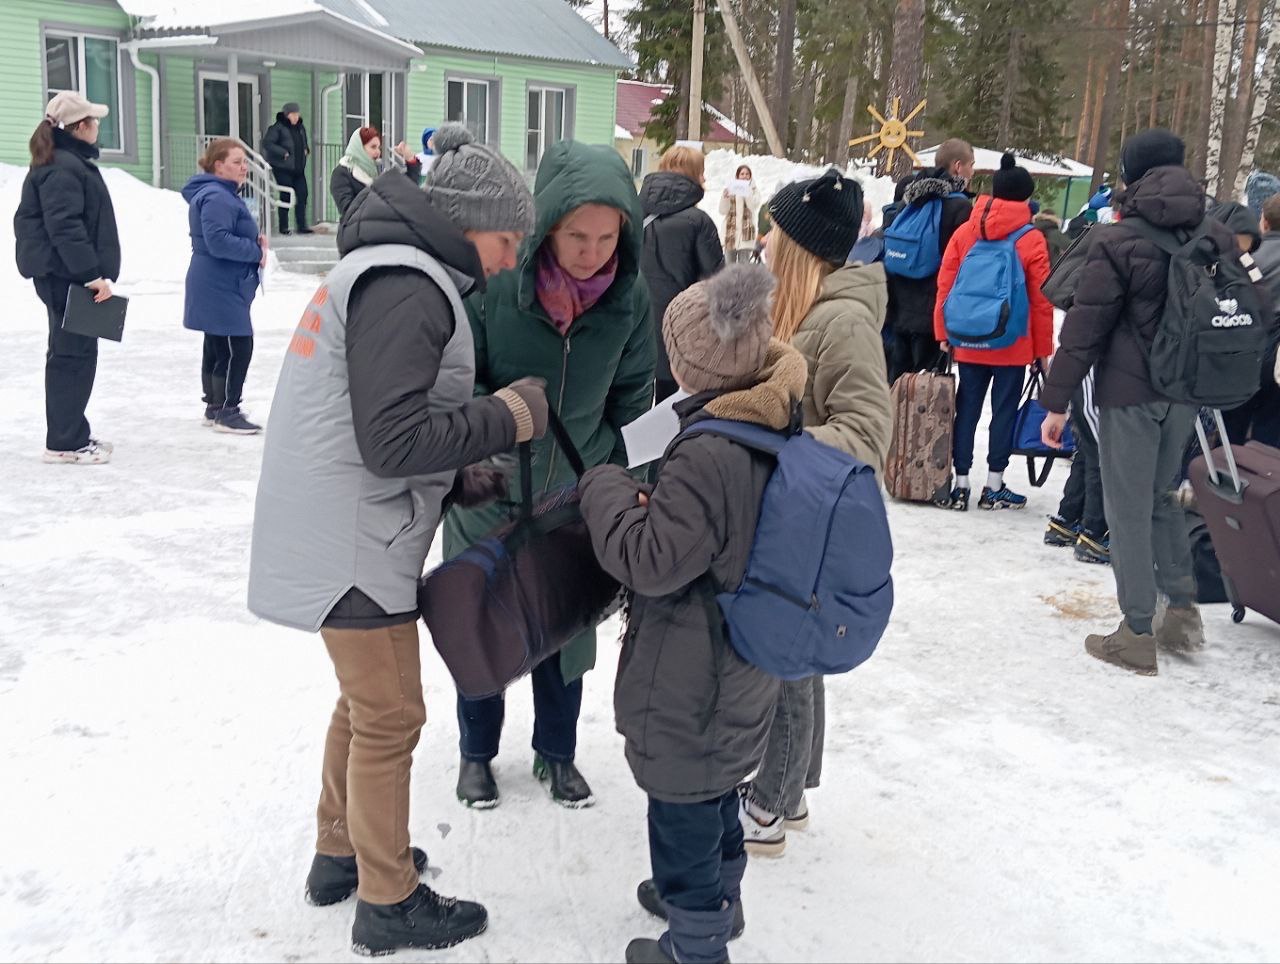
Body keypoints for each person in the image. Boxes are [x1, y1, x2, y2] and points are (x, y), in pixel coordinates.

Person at [247, 122, 546, 956]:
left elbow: (375, 424)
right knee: (392, 715)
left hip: (344, 524)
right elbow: (390, 440)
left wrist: (458, 474)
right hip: (352, 537)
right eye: (504, 238)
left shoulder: (389, 269)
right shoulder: (410, 282)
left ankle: (342, 854)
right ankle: (388, 898)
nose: (509, 259)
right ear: (466, 222)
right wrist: (507, 416)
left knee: (362, 703)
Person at [577, 263, 802, 964]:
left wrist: (607, 491)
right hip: (741, 656)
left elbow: (648, 561)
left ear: (689, 365)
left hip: (692, 668)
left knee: (680, 803)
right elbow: (708, 534)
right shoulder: (772, 414)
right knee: (716, 791)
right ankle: (720, 902)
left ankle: (695, 940)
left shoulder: (710, 451)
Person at [445, 139, 654, 810]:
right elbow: (462, 376)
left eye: (606, 235)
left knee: (566, 628)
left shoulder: (629, 298)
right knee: (483, 623)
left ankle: (556, 754)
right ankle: (475, 755)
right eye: (575, 235)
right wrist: (479, 454)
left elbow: (632, 397)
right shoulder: (498, 283)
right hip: (492, 488)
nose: (592, 251)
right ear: (547, 225)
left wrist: (623, 479)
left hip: (576, 496)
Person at [736, 168, 893, 857]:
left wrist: (775, 442)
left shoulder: (845, 322)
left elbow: (867, 432)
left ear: (798, 245)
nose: (763, 242)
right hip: (791, 508)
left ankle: (768, 805)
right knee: (791, 648)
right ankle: (789, 790)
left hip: (810, 516)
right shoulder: (801, 309)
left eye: (773, 231)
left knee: (788, 655)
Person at [1039, 128, 1228, 676]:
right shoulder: (1212, 232)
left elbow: (1084, 327)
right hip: (1185, 393)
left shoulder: (1116, 240)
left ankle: (1136, 632)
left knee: (1127, 508)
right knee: (1163, 498)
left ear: (1132, 174)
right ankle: (1182, 617)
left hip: (1129, 393)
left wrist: (1056, 403)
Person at [933, 153, 1054, 512]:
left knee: (966, 409)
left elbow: (945, 284)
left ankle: (960, 483)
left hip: (968, 338)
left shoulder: (966, 230)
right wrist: (1041, 350)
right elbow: (1041, 301)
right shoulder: (1031, 238)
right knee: (1003, 412)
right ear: (1025, 198)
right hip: (1011, 342)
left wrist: (943, 331)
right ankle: (994, 485)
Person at [14, 91, 120, 465]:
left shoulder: (64, 161)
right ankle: (64, 442)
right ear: (80, 127)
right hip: (67, 276)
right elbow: (65, 227)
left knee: (76, 353)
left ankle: (72, 431)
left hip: (65, 274)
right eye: (94, 121)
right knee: (71, 356)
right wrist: (90, 275)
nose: (98, 127)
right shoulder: (62, 166)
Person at [181, 139, 268, 435]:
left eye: (245, 162)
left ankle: (215, 406)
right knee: (238, 344)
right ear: (218, 166)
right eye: (237, 162)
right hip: (219, 280)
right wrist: (255, 251)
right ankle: (228, 410)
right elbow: (218, 240)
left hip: (217, 278)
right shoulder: (218, 197)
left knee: (218, 343)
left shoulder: (218, 193)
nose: (244, 168)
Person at [883, 138, 975, 384]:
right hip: (932, 315)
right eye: (971, 165)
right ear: (958, 166)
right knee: (926, 395)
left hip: (898, 310)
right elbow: (964, 265)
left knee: (895, 386)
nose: (972, 171)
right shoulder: (961, 208)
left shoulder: (910, 200)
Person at [640, 145, 725, 400]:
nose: (705, 179)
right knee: (671, 405)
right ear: (692, 176)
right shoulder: (699, 221)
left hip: (635, 328)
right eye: (701, 172)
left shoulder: (632, 213)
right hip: (680, 331)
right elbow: (717, 281)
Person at [1215, 197, 1280, 447]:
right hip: (1276, 360)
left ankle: (1222, 478)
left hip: (1242, 351)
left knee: (1230, 430)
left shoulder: (1246, 257)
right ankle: (1264, 481)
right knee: (1270, 434)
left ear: (1264, 221)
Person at [330, 126, 423, 217]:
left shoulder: (376, 171)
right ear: (359, 148)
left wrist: (410, 159)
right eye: (373, 147)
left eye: (379, 147)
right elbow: (348, 210)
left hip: (380, 229)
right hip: (357, 231)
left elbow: (406, 188)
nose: (378, 152)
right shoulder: (342, 173)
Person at [262, 101, 311, 234]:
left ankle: (301, 226)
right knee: (286, 195)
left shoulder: (301, 128)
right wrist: (282, 152)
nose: (295, 117)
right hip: (282, 168)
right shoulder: (277, 128)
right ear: (286, 114)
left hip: (298, 169)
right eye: (293, 114)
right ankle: (283, 227)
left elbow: (303, 142)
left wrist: (306, 149)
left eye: (297, 114)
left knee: (302, 195)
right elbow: (267, 143)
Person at [719, 164, 761, 264]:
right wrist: (725, 198)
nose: (744, 176)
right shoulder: (730, 189)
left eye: (747, 174)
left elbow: (753, 206)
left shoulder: (754, 191)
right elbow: (722, 211)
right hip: (730, 234)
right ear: (737, 176)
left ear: (750, 176)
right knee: (729, 265)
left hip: (745, 234)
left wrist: (747, 192)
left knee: (744, 266)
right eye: (742, 174)